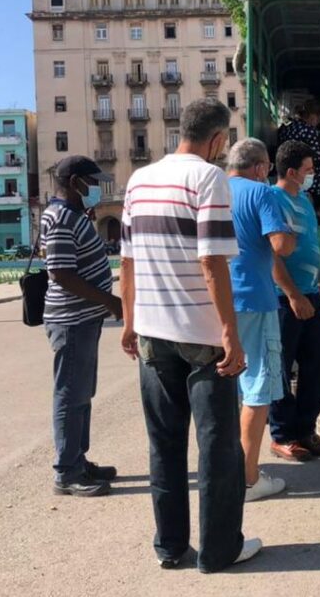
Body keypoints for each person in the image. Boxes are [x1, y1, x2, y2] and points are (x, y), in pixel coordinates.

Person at [119, 99, 261, 571]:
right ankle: (220, 552)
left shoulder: (138, 180)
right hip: (202, 339)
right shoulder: (208, 178)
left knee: (164, 444)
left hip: (152, 336)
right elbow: (211, 260)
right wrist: (230, 335)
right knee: (218, 446)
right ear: (218, 140)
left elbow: (128, 260)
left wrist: (128, 321)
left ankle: (172, 547)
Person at [39, 155, 122, 497]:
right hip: (71, 321)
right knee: (70, 395)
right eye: (91, 182)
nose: (96, 189)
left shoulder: (73, 214)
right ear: (75, 182)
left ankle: (78, 458)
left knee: (82, 393)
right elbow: (60, 273)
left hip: (83, 319)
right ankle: (67, 471)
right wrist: (108, 300)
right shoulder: (60, 218)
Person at [227, 138, 297, 497]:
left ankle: (229, 471)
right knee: (257, 387)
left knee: (228, 390)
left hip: (218, 303)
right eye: (267, 166)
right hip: (255, 299)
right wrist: (291, 232)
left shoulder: (214, 190)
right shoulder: (261, 193)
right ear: (258, 167)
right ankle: (248, 479)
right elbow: (280, 246)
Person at [268, 140, 320, 461]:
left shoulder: (305, 201)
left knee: (319, 365)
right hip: (284, 298)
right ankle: (282, 435)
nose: (311, 175)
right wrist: (293, 294)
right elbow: (270, 254)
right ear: (292, 172)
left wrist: (312, 288)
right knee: (279, 370)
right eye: (307, 170)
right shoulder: (272, 200)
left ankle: (305, 430)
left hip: (310, 293)